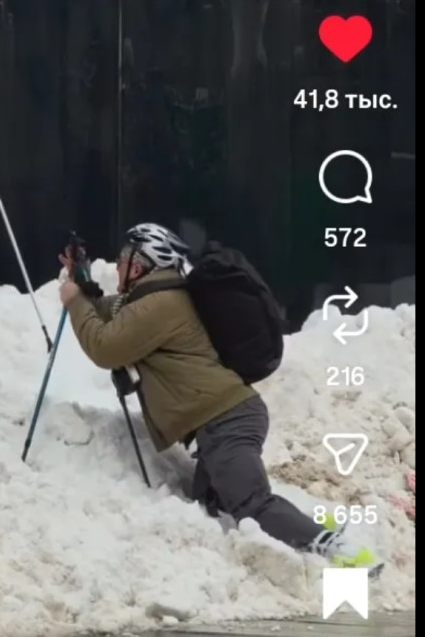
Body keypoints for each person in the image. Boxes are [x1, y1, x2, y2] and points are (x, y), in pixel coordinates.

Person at [58, 223, 379, 567]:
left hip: (226, 420)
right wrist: (82, 282)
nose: (118, 266)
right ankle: (312, 523)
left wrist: (75, 301)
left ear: (139, 265)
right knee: (214, 504)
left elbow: (105, 346)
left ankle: (341, 551)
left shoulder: (159, 304)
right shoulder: (152, 299)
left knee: (251, 505)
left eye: (123, 260)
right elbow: (107, 314)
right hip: (223, 419)